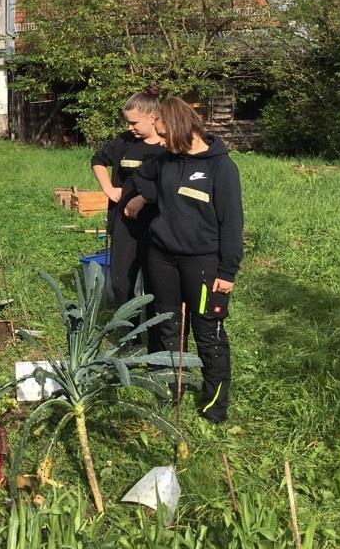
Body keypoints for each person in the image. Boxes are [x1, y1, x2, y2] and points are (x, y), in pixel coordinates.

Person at [124, 97, 243, 424]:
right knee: (167, 324)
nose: (158, 141)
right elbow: (143, 178)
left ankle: (214, 407)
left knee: (209, 333)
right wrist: (142, 197)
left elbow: (232, 223)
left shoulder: (220, 168)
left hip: (203, 264)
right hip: (162, 257)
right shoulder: (165, 159)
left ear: (178, 129)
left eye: (162, 134)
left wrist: (227, 271)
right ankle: (167, 391)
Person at [90, 87, 164, 311]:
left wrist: (144, 198)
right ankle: (127, 333)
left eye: (134, 123)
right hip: (124, 221)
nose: (129, 128)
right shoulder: (124, 142)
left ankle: (153, 333)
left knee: (155, 282)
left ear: (152, 118)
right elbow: (98, 160)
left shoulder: (167, 145)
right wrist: (110, 190)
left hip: (156, 222)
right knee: (121, 281)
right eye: (128, 123)